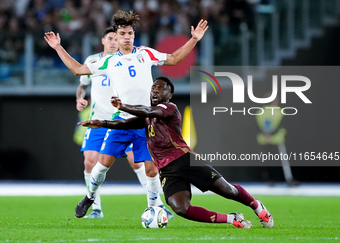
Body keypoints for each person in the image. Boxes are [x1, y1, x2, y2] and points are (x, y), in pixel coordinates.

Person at [43, 10, 206, 219]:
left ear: (133, 35)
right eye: (122, 33)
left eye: (130, 33)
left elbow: (174, 59)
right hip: (121, 122)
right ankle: (90, 197)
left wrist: (194, 39)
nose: (127, 37)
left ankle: (153, 209)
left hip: (146, 123)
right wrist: (58, 47)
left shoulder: (145, 54)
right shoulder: (108, 62)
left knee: (151, 170)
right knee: (101, 167)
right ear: (116, 37)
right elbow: (77, 69)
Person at [78, 77, 274, 228]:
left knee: (227, 191)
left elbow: (147, 111)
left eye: (161, 88)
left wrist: (123, 106)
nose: (156, 90)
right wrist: (101, 123)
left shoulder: (169, 108)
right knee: (180, 208)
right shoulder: (147, 116)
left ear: (169, 95)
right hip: (167, 169)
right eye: (154, 87)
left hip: (184, 160)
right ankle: (231, 219)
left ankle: (257, 207)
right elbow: (124, 123)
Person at [73, 27, 150, 218]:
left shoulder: (127, 60)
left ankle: (155, 204)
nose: (115, 41)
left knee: (137, 162)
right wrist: (79, 98)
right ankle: (96, 208)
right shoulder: (93, 61)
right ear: (103, 40)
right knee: (90, 162)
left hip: (122, 120)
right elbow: (82, 85)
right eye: (111, 38)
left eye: (117, 38)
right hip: (99, 120)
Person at [256, 97, 299, 186]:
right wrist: (272, 135)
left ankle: (269, 180)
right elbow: (282, 124)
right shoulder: (279, 111)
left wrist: (266, 135)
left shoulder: (260, 112)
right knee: (283, 161)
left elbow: (257, 126)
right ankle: (288, 179)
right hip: (277, 138)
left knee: (267, 160)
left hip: (264, 139)